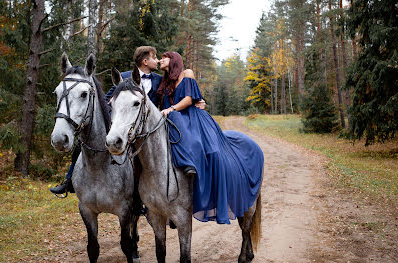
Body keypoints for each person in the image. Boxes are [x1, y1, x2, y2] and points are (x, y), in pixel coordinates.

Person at [50, 46, 206, 195]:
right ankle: (69, 180)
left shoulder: (160, 80)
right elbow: (107, 100)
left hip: (143, 127)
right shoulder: (123, 77)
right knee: (81, 145)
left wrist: (198, 100)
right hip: (120, 123)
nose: (158, 61)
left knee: (150, 157)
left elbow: (178, 89)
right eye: (155, 57)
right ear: (145, 61)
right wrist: (113, 119)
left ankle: (153, 193)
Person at [157, 51, 264, 224]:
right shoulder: (164, 81)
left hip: (191, 118)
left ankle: (198, 172)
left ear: (174, 59)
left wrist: (172, 109)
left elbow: (189, 99)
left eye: (164, 57)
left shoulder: (187, 74)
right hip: (172, 121)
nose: (161, 59)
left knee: (211, 150)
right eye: (160, 57)